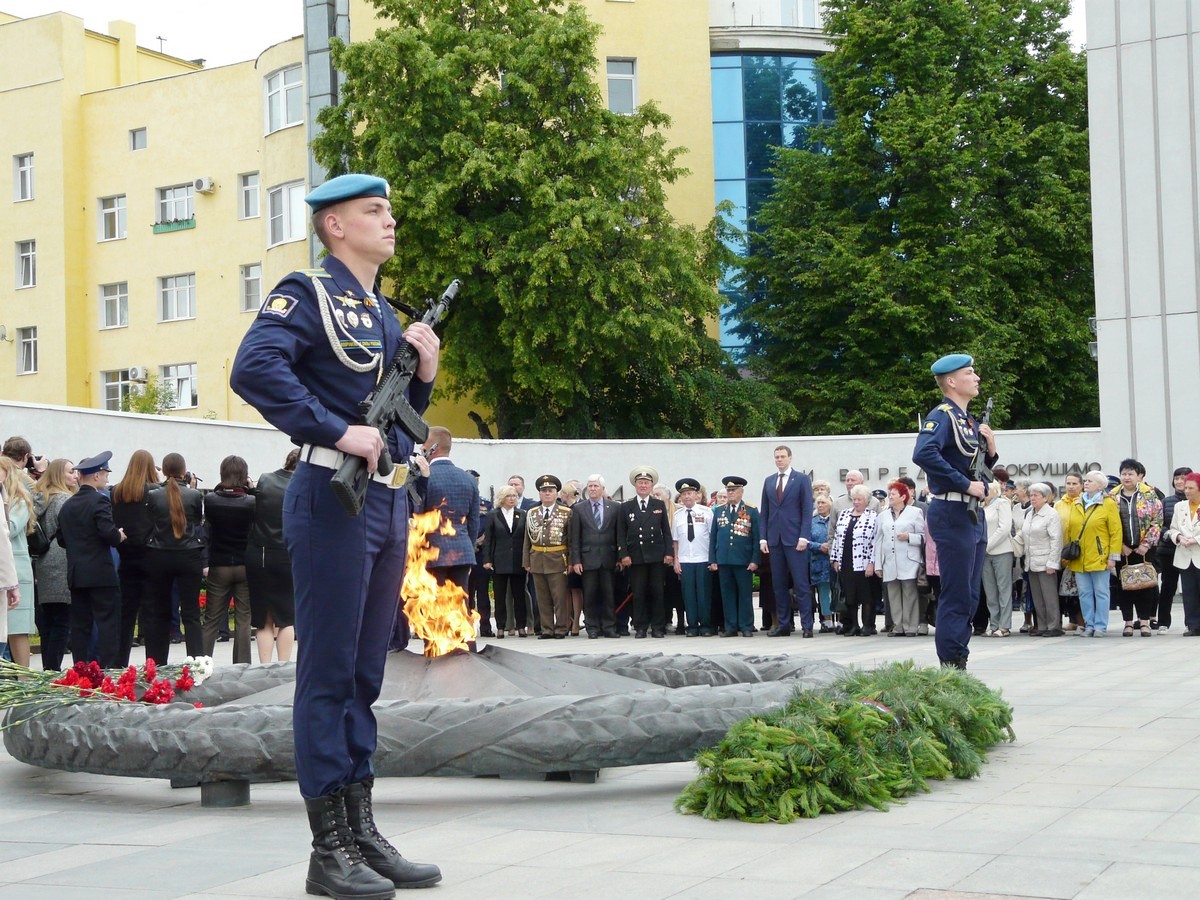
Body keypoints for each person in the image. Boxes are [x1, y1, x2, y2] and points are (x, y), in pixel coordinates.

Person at [230, 173, 442, 894]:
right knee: (325, 675)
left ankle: (362, 833)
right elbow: (252, 369)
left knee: (364, 674)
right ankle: (328, 851)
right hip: (329, 498)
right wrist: (330, 429)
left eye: (389, 208)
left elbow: (393, 419)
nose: (390, 220)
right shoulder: (306, 293)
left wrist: (424, 380)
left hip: (385, 505)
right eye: (373, 210)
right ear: (334, 227)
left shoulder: (382, 312)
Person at [912, 353, 998, 670]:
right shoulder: (942, 415)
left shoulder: (969, 421)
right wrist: (965, 484)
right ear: (951, 381)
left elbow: (977, 471)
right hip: (951, 511)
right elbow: (923, 453)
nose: (976, 378)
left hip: (972, 516)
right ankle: (951, 666)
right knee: (957, 594)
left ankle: (959, 657)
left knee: (971, 595)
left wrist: (990, 451)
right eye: (969, 373)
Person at [55, 451, 126, 667]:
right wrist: (119, 535)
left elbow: (61, 539)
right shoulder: (99, 501)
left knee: (81, 626)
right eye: (105, 473)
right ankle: (109, 671)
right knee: (108, 624)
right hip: (101, 574)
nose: (106, 478)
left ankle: (81, 669)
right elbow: (108, 533)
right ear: (96, 476)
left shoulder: (68, 505)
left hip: (77, 574)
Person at [143, 452, 207, 664]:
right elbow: (197, 521)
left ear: (164, 470)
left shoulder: (153, 495)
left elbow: (150, 521)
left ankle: (156, 663)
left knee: (159, 612)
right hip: (188, 555)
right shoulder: (194, 495)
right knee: (191, 614)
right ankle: (197, 662)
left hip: (160, 555)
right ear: (183, 471)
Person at [202, 455, 256, 662]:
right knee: (244, 619)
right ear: (244, 476)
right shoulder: (251, 502)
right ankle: (242, 666)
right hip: (244, 564)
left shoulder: (211, 500)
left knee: (211, 619)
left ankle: (201, 664)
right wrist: (249, 488)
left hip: (219, 563)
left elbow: (217, 494)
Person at [110, 450, 162, 666]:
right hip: (151, 557)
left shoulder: (117, 492)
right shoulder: (156, 492)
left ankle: (119, 663)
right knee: (151, 616)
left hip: (127, 556)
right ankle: (153, 664)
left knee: (126, 615)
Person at [247, 449, 298, 663]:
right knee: (287, 618)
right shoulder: (302, 487)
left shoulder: (265, 479)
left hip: (259, 553)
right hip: (287, 554)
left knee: (263, 620)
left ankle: (264, 667)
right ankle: (284, 666)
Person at [417, 427, 480, 598]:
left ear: (432, 448)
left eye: (423, 447)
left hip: (432, 553)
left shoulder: (423, 478)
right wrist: (470, 547)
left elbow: (417, 515)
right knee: (459, 605)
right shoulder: (469, 479)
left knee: (433, 607)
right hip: (463, 552)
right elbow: (473, 522)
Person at [759, 445, 815, 638]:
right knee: (779, 585)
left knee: (801, 584)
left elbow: (807, 510)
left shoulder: (801, 479)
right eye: (777, 457)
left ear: (790, 458)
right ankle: (783, 624)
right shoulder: (769, 481)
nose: (779, 460)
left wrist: (804, 536)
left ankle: (807, 625)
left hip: (795, 539)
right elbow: (765, 512)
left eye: (783, 456)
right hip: (775, 539)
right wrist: (763, 538)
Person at [1108, 459, 1164, 637]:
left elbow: (1158, 520)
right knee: (1124, 585)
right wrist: (1120, 546)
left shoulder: (1149, 495)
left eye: (1130, 473)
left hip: (1144, 548)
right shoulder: (1112, 496)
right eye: (1124, 473)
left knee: (1145, 585)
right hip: (1122, 548)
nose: (1126, 477)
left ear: (1139, 476)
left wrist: (1146, 544)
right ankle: (1128, 623)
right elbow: (1108, 524)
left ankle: (1145, 621)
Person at [617, 466, 674, 639]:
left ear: (651, 486)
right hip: (636, 557)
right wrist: (624, 555)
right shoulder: (626, 506)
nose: (643, 486)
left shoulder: (658, 505)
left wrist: (668, 552)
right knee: (639, 592)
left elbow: (666, 530)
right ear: (635, 485)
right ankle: (640, 626)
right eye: (640, 482)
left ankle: (658, 626)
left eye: (646, 483)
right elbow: (621, 533)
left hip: (656, 556)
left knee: (657, 592)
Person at [31, 460, 77, 670]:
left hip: (42, 562)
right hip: (61, 560)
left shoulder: (39, 498)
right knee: (62, 621)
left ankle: (47, 668)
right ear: (59, 475)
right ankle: (53, 669)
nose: (74, 475)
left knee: (48, 621)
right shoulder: (64, 500)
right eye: (70, 472)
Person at [1065, 470, 1122, 636]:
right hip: (1079, 557)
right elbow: (1071, 529)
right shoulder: (1078, 503)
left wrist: (1113, 556)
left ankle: (1100, 625)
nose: (1086, 483)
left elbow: (1116, 532)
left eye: (1090, 481)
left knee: (1101, 592)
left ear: (1100, 485)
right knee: (1084, 593)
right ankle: (1089, 624)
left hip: (1099, 556)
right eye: (1086, 480)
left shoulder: (1108, 504)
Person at [569, 475, 620, 639]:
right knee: (590, 595)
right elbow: (574, 537)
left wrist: (620, 556)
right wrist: (575, 560)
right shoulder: (579, 509)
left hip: (608, 557)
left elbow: (619, 534)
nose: (592, 489)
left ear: (603, 489)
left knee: (608, 594)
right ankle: (592, 627)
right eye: (590, 486)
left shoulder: (614, 507)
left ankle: (609, 627)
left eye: (595, 486)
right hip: (588, 558)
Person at [708, 476, 760, 638]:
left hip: (743, 560)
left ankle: (746, 625)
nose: (730, 493)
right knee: (727, 594)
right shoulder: (719, 511)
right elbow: (713, 537)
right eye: (728, 490)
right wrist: (713, 559)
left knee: (744, 595)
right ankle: (730, 626)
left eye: (734, 490)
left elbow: (756, 538)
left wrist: (754, 559)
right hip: (724, 560)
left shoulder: (751, 510)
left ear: (741, 492)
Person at [523, 474, 573, 639]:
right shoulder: (532, 513)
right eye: (544, 491)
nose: (547, 493)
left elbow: (571, 540)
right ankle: (546, 629)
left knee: (559, 597)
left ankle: (560, 628)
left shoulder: (566, 512)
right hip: (537, 558)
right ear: (539, 493)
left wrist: (571, 561)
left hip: (558, 558)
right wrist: (526, 561)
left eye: (550, 490)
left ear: (557, 493)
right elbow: (527, 539)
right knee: (542, 598)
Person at [874, 480, 925, 637]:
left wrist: (909, 536)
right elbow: (878, 540)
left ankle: (911, 626)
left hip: (909, 560)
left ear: (903, 496)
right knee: (893, 594)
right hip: (890, 561)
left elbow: (924, 537)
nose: (890, 497)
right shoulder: (883, 516)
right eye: (889, 494)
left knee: (910, 593)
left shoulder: (915, 512)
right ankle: (898, 626)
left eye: (893, 494)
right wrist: (878, 564)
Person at [830, 485, 879, 636]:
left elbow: (875, 541)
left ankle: (867, 625)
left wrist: (872, 562)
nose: (856, 502)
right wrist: (835, 558)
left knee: (866, 595)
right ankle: (853, 625)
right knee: (849, 595)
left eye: (859, 499)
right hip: (846, 560)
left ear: (867, 501)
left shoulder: (873, 516)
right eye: (854, 499)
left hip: (863, 562)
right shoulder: (844, 514)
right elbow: (837, 538)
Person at [0, 457, 35, 665]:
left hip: (17, 569)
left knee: (18, 630)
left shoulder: (19, 501)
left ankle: (24, 679)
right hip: (6, 566)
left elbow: (10, 528)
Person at [482, 485, 529, 637]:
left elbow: (526, 539)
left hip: (518, 560)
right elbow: (489, 539)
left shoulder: (522, 514)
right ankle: (501, 626)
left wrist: (527, 560)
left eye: (514, 496)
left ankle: (521, 625)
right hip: (499, 560)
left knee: (519, 595)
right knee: (500, 596)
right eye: (509, 496)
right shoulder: (493, 515)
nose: (512, 499)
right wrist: (487, 559)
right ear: (502, 498)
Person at [672, 477, 713, 636]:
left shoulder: (707, 513)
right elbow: (675, 540)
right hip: (685, 560)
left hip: (703, 559)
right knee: (688, 595)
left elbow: (712, 536)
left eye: (690, 493)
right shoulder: (677, 515)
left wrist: (712, 559)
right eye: (684, 494)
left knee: (703, 594)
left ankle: (705, 625)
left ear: (696, 495)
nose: (687, 497)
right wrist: (676, 559)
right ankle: (692, 626)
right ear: (681, 497)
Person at [1023, 482, 1064, 636]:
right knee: (1037, 597)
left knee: (1049, 596)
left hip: (1046, 561)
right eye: (1031, 495)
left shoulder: (1051, 514)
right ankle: (1042, 625)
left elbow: (1056, 539)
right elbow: (1024, 535)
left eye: (1036, 495)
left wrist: (1053, 562)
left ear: (1045, 498)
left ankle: (1054, 626)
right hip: (1031, 561)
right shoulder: (1029, 513)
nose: (1032, 498)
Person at [1157, 466, 1193, 631]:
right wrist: (1174, 536)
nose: (1179, 481)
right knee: (1167, 587)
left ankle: (1191, 623)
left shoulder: (1195, 502)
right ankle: (1163, 621)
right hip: (1169, 551)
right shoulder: (1166, 501)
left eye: (1184, 478)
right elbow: (1161, 526)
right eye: (1177, 478)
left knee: (1191, 589)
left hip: (1190, 550)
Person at [1165, 472, 1200, 635]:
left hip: (1198, 551)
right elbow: (1173, 528)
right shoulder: (1180, 506)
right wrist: (1178, 537)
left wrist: (1195, 539)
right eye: (1185, 488)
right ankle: (1193, 625)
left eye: (1191, 488)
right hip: (1184, 554)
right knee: (1189, 592)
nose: (1187, 491)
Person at [982, 482, 1018, 636]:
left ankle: (1004, 625)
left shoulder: (1002, 503)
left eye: (986, 489)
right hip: (984, 554)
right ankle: (994, 624)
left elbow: (1004, 528)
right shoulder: (980, 506)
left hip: (1001, 551)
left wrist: (987, 545)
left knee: (1004, 589)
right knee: (990, 590)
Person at [810, 494, 835, 632]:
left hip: (834, 561)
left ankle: (841, 620)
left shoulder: (835, 520)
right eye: (818, 503)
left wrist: (831, 546)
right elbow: (805, 541)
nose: (820, 505)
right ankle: (827, 620)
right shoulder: (811, 522)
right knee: (824, 592)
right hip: (818, 562)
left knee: (837, 590)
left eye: (823, 503)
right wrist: (819, 546)